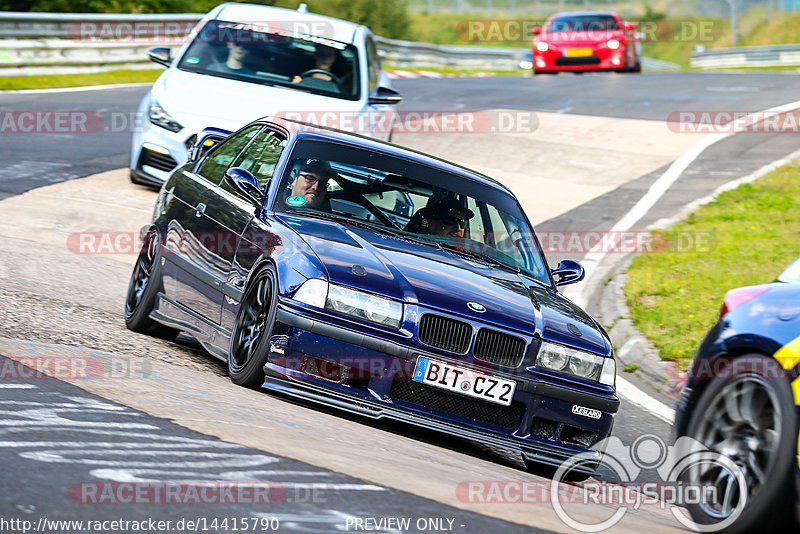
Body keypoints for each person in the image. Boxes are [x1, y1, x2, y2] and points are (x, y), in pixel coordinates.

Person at [405, 197, 474, 238]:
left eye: (462, 223)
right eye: (451, 220)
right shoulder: (406, 242)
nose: (457, 229)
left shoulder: (461, 254)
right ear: (431, 221)